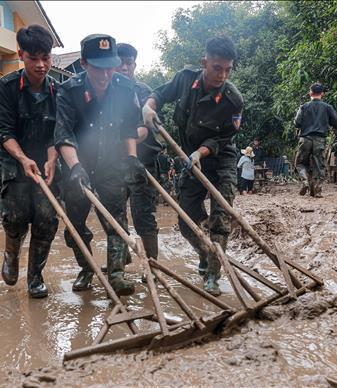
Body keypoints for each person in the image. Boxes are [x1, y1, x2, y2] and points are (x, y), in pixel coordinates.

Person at [142, 36, 244, 296]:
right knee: (186, 220)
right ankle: (206, 253)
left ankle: (212, 273)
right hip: (190, 160)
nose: (222, 75)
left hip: (220, 161)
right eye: (217, 68)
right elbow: (160, 94)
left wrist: (201, 151)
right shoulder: (185, 79)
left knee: (221, 217)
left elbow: (225, 138)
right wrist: (149, 107)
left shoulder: (233, 100)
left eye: (227, 69)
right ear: (204, 62)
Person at [54, 34, 142, 296]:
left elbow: (128, 130)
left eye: (110, 67)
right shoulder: (68, 90)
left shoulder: (125, 89)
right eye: (98, 68)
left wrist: (132, 158)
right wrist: (75, 167)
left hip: (112, 164)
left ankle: (116, 274)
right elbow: (63, 134)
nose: (105, 75)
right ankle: (87, 268)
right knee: (75, 226)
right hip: (77, 164)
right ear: (83, 64)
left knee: (116, 221)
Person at [0, 24, 60, 299]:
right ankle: (11, 255)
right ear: (21, 55)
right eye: (34, 58)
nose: (41, 65)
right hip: (15, 161)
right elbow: (4, 132)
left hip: (47, 163)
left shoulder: (59, 90)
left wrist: (52, 158)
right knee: (16, 218)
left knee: (46, 219)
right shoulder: (6, 87)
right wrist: (22, 158)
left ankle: (35, 278)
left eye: (46, 57)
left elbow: (60, 132)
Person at [115, 42, 163, 263]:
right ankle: (119, 258)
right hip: (114, 162)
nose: (124, 68)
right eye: (119, 63)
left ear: (134, 64)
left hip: (143, 162)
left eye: (128, 63)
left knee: (143, 213)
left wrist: (123, 142)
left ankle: (152, 262)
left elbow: (144, 130)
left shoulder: (143, 92)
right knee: (114, 209)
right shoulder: (107, 90)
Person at [294, 82, 337, 197]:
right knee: (319, 166)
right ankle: (318, 190)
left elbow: (297, 123)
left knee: (300, 163)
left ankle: (304, 180)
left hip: (305, 139)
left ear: (310, 93)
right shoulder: (327, 107)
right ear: (322, 94)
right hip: (319, 140)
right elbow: (336, 124)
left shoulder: (303, 107)